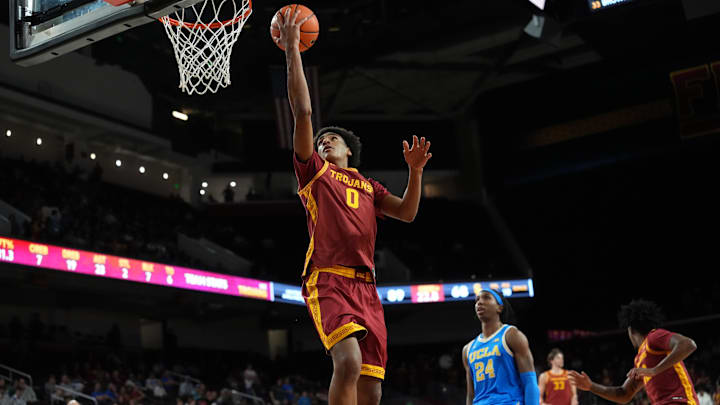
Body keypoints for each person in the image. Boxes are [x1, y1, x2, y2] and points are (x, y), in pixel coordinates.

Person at [276, 6, 433, 405]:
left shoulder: (368, 185)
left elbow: (409, 213)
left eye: (333, 139)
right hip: (328, 277)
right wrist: (293, 49)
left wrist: (414, 173)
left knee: (372, 387)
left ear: (350, 150)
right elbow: (304, 111)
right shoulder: (313, 172)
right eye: (321, 139)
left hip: (368, 288)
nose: (324, 141)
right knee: (346, 363)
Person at [568, 299, 699, 405]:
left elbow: (688, 344)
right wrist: (591, 386)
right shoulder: (640, 359)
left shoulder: (654, 337)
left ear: (630, 330)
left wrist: (654, 370)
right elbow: (623, 394)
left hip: (680, 401)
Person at [462, 289, 540, 405]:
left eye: (486, 297)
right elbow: (471, 394)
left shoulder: (511, 335)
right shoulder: (468, 349)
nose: (479, 302)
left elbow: (529, 381)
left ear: (500, 308)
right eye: (477, 300)